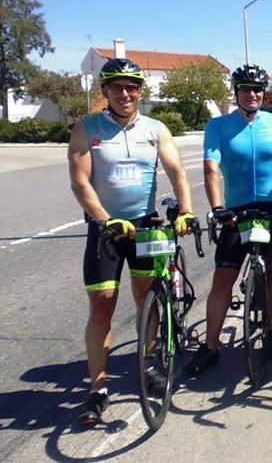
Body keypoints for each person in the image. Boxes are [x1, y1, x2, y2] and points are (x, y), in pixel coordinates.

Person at [68, 58, 196, 426]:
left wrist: (186, 209)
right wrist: (106, 220)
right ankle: (97, 390)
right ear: (105, 92)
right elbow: (80, 183)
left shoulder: (155, 129)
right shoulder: (86, 129)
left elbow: (176, 169)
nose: (125, 93)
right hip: (106, 227)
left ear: (140, 91)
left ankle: (146, 364)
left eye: (132, 87)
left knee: (148, 301)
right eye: (117, 87)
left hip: (145, 224)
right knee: (102, 307)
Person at [185, 64, 272, 375]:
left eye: (257, 89)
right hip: (235, 211)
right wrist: (217, 206)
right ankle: (210, 347)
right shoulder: (219, 126)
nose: (252, 94)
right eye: (245, 89)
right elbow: (211, 168)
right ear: (236, 92)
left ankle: (270, 331)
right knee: (223, 279)